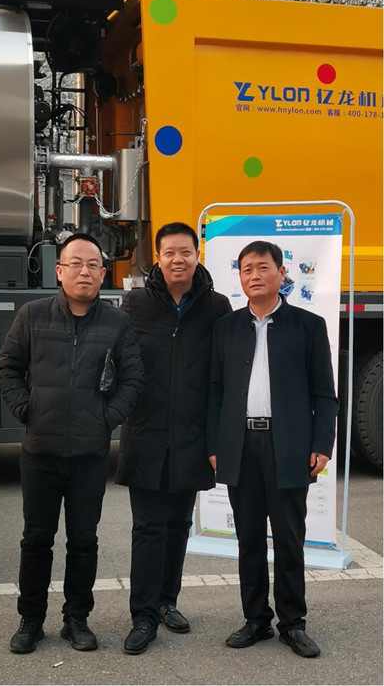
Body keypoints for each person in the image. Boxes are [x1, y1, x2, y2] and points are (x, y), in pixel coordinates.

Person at [0, 233, 144, 654]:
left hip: (89, 453)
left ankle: (76, 619)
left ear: (103, 273)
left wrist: (105, 420)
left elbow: (134, 379)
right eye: (75, 263)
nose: (84, 271)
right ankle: (30, 620)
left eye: (93, 264)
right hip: (39, 451)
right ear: (59, 271)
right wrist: (27, 410)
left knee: (83, 540)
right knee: (36, 539)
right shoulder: (33, 315)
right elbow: (7, 368)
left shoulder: (116, 323)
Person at [208, 240, 338, 658]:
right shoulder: (226, 328)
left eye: (263, 267)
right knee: (247, 538)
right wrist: (215, 444)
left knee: (288, 539)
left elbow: (325, 395)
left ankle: (293, 623)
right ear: (240, 277)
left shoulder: (308, 325)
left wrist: (321, 444)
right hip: (240, 444)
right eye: (246, 269)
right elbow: (214, 392)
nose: (254, 275)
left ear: (282, 273)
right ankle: (256, 620)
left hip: (289, 447)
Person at [116, 222, 232, 654]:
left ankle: (168, 601)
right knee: (148, 528)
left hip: (192, 436)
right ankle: (143, 617)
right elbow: (117, 363)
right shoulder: (135, 304)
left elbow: (223, 373)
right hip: (146, 432)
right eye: (169, 253)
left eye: (185, 252)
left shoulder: (216, 307)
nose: (177, 260)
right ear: (158, 258)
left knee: (179, 525)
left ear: (197, 256)